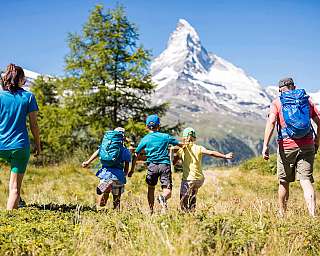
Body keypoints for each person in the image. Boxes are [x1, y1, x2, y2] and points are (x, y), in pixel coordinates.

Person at [262, 78, 320, 217]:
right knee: (306, 181)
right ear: (294, 86)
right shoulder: (306, 101)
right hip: (307, 145)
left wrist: (265, 145)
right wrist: (317, 141)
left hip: (286, 147)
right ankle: (313, 216)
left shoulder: (277, 102)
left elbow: (271, 123)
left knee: (284, 182)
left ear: (280, 89)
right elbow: (319, 121)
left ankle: (282, 214)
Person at [0, 64, 41, 210]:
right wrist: (38, 144)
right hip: (20, 146)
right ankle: (10, 223)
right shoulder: (28, 97)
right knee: (14, 188)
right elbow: (34, 125)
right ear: (21, 79)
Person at [128, 114, 182, 213]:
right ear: (159, 126)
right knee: (167, 190)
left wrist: (132, 170)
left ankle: (151, 211)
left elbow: (135, 154)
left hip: (152, 166)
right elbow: (180, 144)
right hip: (164, 165)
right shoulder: (165, 136)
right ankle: (163, 197)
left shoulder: (145, 139)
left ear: (147, 126)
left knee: (151, 188)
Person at [175, 127, 233, 212]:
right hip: (199, 179)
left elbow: (173, 162)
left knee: (182, 199)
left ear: (183, 137)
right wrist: (225, 156)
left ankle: (185, 215)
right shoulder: (199, 148)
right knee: (193, 195)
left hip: (188, 179)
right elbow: (211, 153)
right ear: (194, 138)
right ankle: (192, 211)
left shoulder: (181, 149)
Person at [82, 127, 131, 210]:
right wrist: (124, 175)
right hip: (118, 175)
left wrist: (88, 161)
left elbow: (98, 152)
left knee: (104, 196)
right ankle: (116, 212)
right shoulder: (124, 150)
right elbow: (126, 166)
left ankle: (104, 189)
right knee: (116, 197)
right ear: (123, 137)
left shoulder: (106, 146)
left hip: (105, 173)